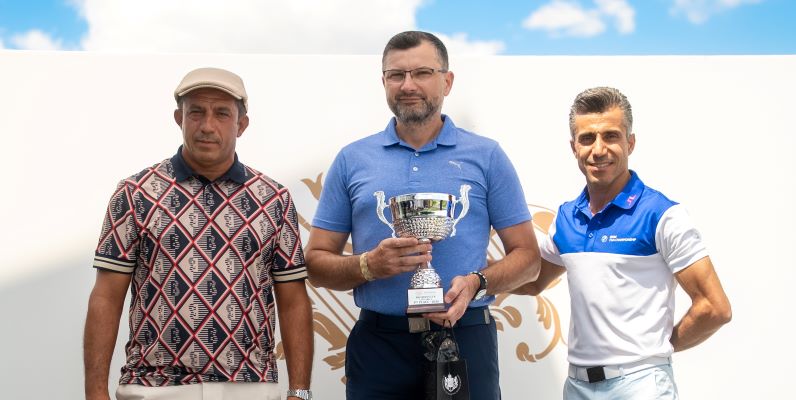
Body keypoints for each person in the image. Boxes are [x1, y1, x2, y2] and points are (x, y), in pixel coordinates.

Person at [305, 31, 541, 399]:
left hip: (465, 338)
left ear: (447, 81)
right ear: (384, 82)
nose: (408, 85)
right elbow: (316, 264)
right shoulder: (353, 159)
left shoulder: (487, 156)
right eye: (396, 75)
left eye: (422, 73)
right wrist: (369, 266)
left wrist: (477, 283)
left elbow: (529, 260)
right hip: (379, 346)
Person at [83, 67, 314, 400]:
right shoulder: (136, 193)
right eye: (196, 112)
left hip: (249, 387)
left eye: (222, 113)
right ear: (179, 118)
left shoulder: (273, 199)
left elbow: (293, 300)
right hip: (154, 387)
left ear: (241, 124)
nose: (207, 125)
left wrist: (300, 392)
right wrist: (95, 393)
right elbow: (106, 296)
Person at [513, 86, 732, 399]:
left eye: (611, 136)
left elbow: (715, 307)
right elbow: (532, 280)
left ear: (630, 142)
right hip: (577, 386)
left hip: (640, 384)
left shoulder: (661, 214)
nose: (598, 149)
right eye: (587, 138)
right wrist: (472, 274)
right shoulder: (566, 217)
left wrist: (660, 349)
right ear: (574, 147)